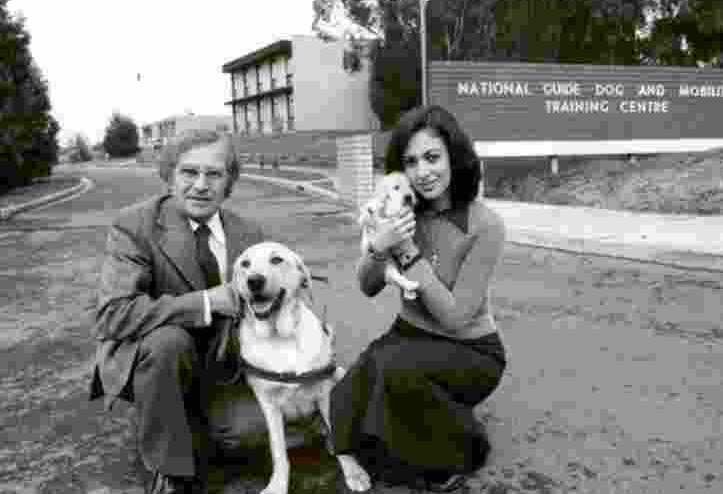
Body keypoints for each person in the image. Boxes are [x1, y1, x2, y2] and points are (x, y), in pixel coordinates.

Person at [88, 129, 314, 494]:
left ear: (229, 183)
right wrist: (207, 302)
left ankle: (192, 428)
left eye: (214, 174)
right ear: (170, 175)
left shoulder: (250, 233)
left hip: (226, 367)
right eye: (189, 173)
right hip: (164, 366)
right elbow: (113, 314)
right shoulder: (135, 225)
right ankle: (167, 469)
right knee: (168, 342)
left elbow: (284, 298)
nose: (201, 185)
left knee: (254, 434)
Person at [330, 105, 508, 492]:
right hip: (408, 335)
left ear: (454, 157)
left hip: (471, 350)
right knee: (351, 390)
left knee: (393, 371)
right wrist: (378, 246)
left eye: (432, 157)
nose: (422, 172)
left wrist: (407, 249)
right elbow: (368, 286)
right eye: (411, 162)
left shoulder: (485, 224)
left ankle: (465, 444)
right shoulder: (402, 209)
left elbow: (456, 317)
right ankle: (430, 420)